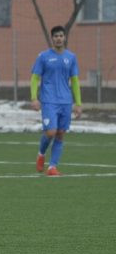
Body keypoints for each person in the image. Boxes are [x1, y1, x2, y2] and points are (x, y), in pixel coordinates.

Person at [30, 25, 82, 176]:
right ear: (52, 38)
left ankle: (52, 167)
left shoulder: (71, 57)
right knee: (51, 132)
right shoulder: (43, 57)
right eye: (56, 36)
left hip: (65, 101)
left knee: (60, 133)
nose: (59, 38)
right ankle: (41, 154)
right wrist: (34, 98)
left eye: (61, 36)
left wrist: (78, 103)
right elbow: (34, 78)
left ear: (65, 38)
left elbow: (75, 80)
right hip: (48, 100)